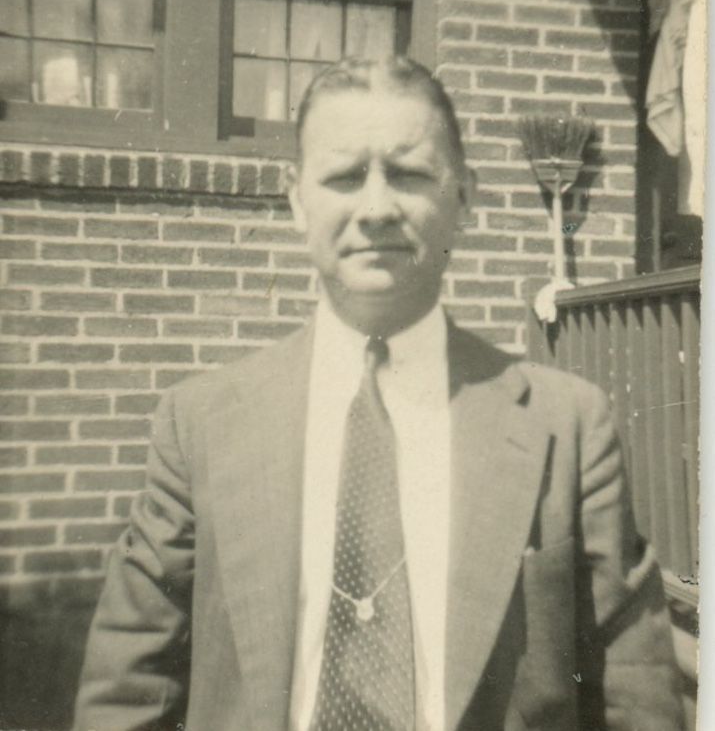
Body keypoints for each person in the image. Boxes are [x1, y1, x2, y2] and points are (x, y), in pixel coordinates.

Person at [74, 56, 684, 731]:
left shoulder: (565, 426)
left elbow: (636, 700)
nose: (375, 208)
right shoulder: (201, 425)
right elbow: (129, 689)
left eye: (409, 173)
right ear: (297, 201)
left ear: (463, 198)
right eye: (343, 177)